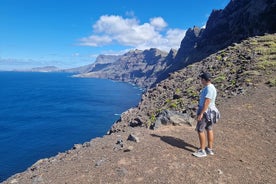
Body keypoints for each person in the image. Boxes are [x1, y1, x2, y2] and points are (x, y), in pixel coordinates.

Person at [192, 72, 220, 158]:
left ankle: (202, 150)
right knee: (209, 128)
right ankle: (209, 149)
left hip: (206, 112)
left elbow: (207, 102)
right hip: (211, 111)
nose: (201, 81)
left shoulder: (209, 88)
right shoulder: (212, 87)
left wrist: (201, 113)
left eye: (201, 79)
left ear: (204, 80)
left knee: (200, 130)